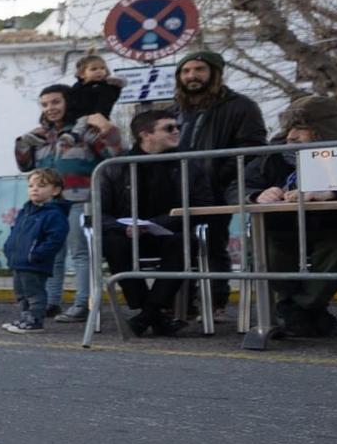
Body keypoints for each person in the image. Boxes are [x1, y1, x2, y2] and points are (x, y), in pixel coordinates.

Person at [98, 107, 215, 336]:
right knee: (113, 242)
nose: (176, 132)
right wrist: (126, 227)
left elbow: (204, 205)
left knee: (184, 242)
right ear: (145, 134)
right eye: (169, 128)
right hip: (127, 234)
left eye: (178, 127)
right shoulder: (114, 167)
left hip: (171, 231)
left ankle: (147, 315)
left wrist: (160, 222)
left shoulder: (188, 163)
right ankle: (153, 316)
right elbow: (97, 214)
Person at [14, 83, 121, 321]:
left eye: (55, 102)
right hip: (50, 205)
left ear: (68, 102)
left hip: (80, 200)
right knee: (54, 253)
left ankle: (83, 304)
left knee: (81, 253)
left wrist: (109, 130)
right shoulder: (41, 136)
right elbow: (25, 165)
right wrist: (23, 142)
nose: (50, 108)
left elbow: (115, 155)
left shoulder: (86, 131)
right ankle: (52, 302)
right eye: (45, 104)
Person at [174, 50, 267, 307]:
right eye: (186, 70)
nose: (192, 76)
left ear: (214, 73)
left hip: (216, 188)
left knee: (213, 245)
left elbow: (253, 147)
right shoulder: (174, 109)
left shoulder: (241, 106)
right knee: (180, 246)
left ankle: (215, 301)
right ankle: (183, 304)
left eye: (199, 70)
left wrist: (219, 175)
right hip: (178, 189)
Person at [247, 94, 337, 338]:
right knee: (265, 250)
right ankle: (308, 311)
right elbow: (241, 182)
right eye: (289, 127)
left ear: (324, 130)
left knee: (336, 251)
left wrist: (332, 192)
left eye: (301, 128)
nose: (291, 136)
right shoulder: (273, 154)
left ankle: (296, 308)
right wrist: (257, 194)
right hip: (282, 228)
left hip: (333, 228)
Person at [1, 169, 70, 332]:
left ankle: (35, 320)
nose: (34, 189)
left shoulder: (55, 214)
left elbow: (55, 239)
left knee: (34, 293)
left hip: (35, 262)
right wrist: (9, 249)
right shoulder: (26, 211)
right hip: (19, 262)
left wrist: (37, 254)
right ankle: (25, 318)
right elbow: (16, 232)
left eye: (41, 185)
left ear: (56, 190)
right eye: (31, 185)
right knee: (21, 293)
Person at [63, 52, 124, 127]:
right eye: (93, 69)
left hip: (98, 122)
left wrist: (116, 87)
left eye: (102, 68)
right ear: (82, 74)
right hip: (76, 121)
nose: (99, 71)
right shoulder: (77, 87)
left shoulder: (106, 87)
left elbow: (104, 107)